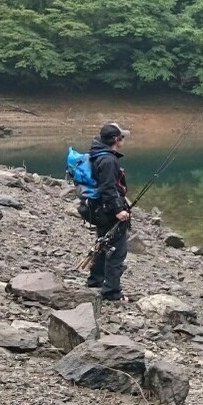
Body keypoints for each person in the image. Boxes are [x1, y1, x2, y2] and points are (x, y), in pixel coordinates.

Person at [85, 122, 131, 302]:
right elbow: (108, 188)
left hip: (98, 209)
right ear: (115, 139)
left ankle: (95, 281)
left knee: (103, 244)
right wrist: (118, 210)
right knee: (116, 250)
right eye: (122, 137)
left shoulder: (98, 154)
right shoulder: (108, 160)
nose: (123, 139)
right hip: (107, 211)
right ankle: (111, 292)